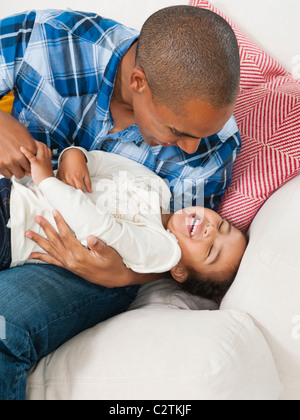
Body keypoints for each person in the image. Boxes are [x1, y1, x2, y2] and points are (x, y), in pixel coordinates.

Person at [0, 6, 241, 399]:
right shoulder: (48, 39)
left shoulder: (215, 150)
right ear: (138, 82)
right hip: (14, 200)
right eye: (179, 131)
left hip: (95, 264)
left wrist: (125, 277)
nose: (192, 148)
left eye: (202, 135)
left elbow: (178, 255)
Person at [0, 142, 247, 302]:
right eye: (222, 225)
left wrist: (46, 181)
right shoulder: (157, 188)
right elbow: (103, 163)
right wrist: (76, 156)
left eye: (211, 250)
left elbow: (99, 230)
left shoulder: (162, 251)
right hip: (14, 188)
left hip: (14, 228)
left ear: (180, 271)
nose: (209, 230)